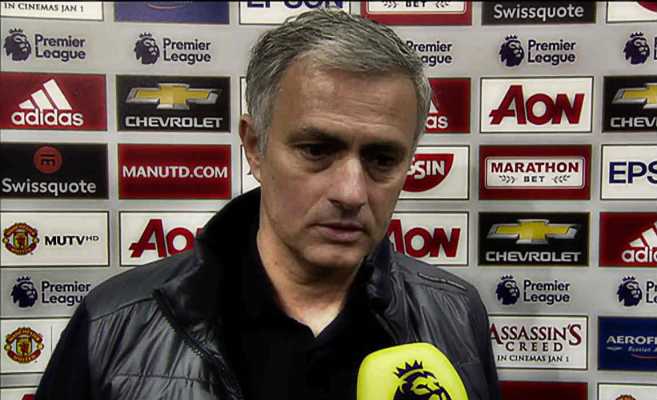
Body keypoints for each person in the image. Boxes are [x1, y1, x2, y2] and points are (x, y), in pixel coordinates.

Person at [36, 9, 499, 400]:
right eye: (316, 150)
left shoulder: (457, 314)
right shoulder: (113, 323)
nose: (351, 193)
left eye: (382, 159)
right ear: (255, 147)